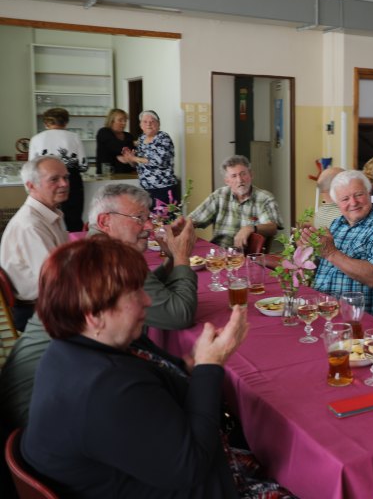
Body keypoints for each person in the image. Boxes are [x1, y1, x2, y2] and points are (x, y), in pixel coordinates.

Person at [19, 236, 247, 497]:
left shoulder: (72, 349)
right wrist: (209, 367)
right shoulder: (105, 386)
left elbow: (154, 390)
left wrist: (190, 364)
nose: (147, 300)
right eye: (134, 292)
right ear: (95, 316)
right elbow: (191, 466)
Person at [0, 183, 199, 431]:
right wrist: (181, 258)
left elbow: (145, 295)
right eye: (139, 218)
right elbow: (178, 314)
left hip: (42, 397)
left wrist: (171, 260)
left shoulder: (94, 249)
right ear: (105, 221)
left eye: (148, 218)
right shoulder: (107, 260)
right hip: (42, 415)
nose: (149, 226)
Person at [301, 170, 373, 317]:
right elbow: (324, 264)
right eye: (345, 199)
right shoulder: (337, 223)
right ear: (337, 203)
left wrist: (331, 253)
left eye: (358, 195)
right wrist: (307, 248)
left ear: (369, 193)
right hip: (323, 309)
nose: (353, 202)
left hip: (357, 316)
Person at [0, 157, 69, 330]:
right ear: (31, 186)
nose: (64, 184)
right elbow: (57, 281)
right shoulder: (31, 225)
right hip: (37, 310)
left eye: (66, 177)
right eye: (54, 179)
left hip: (51, 299)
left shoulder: (51, 213)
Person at [189, 154, 282, 249]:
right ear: (227, 181)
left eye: (243, 174)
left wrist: (250, 228)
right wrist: (184, 227)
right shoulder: (219, 195)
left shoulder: (265, 198)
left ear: (251, 175)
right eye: (234, 176)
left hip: (248, 254)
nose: (240, 180)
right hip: (219, 251)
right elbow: (193, 220)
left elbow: (272, 227)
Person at [28, 107, 86, 231]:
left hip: (45, 180)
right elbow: (83, 166)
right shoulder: (74, 137)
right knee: (73, 220)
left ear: (46, 122)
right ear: (66, 122)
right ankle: (75, 242)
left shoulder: (36, 138)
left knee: (46, 218)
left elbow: (31, 167)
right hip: (71, 179)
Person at [118, 109, 180, 208]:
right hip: (145, 189)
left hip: (163, 189)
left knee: (164, 217)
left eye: (152, 121)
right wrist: (130, 159)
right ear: (141, 125)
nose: (148, 124)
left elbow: (158, 161)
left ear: (158, 124)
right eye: (145, 121)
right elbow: (139, 163)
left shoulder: (163, 138)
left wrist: (134, 158)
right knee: (147, 217)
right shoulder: (142, 138)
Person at [95, 108, 136, 174]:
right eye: (120, 120)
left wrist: (127, 157)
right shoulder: (104, 132)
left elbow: (134, 154)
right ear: (111, 121)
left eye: (125, 120)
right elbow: (115, 146)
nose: (124, 123)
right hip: (106, 174)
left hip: (127, 174)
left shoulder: (129, 136)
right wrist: (126, 155)